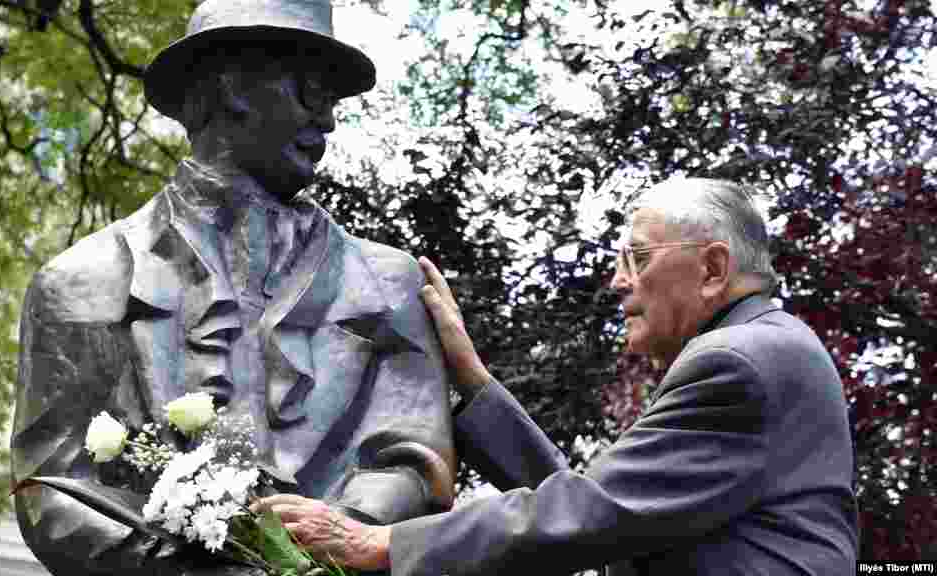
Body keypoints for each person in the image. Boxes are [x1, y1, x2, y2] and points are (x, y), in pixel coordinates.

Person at [10, 1, 456, 575]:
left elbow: (414, 458)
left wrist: (325, 548)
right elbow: (51, 488)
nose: (329, 121)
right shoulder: (80, 282)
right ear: (232, 86)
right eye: (309, 91)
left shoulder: (389, 282)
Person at [260, 178, 860, 575]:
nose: (620, 281)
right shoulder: (766, 349)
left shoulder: (739, 364)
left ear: (712, 268)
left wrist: (383, 544)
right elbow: (606, 511)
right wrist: (474, 383)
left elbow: (594, 512)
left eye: (638, 258)